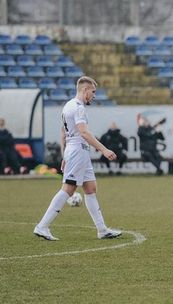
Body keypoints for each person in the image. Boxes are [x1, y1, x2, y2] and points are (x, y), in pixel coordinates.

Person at [33, 76, 122, 241]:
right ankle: (42, 226)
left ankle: (102, 230)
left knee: (90, 188)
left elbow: (63, 132)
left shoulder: (68, 105)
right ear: (85, 90)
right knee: (69, 189)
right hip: (78, 151)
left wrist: (65, 153)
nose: (94, 95)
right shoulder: (79, 108)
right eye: (93, 92)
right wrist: (103, 149)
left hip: (76, 151)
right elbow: (84, 132)